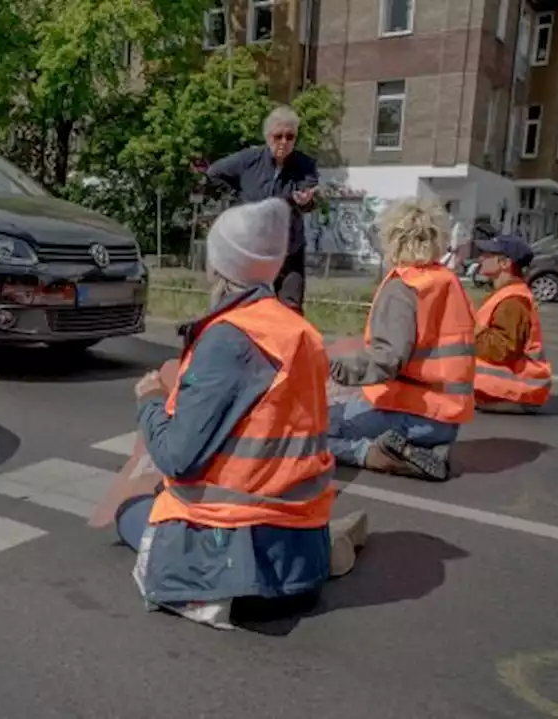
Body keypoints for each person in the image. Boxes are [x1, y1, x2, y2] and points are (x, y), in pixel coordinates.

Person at [114, 198, 367, 631]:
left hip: (244, 559)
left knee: (131, 512)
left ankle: (200, 578)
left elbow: (178, 457)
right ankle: (326, 547)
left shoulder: (230, 338)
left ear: (219, 266)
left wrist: (151, 399)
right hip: (299, 532)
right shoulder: (297, 329)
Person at [327, 199, 476, 482]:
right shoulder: (445, 281)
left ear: (393, 239)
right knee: (339, 413)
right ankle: (415, 447)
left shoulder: (403, 288)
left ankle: (376, 454)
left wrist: (329, 367)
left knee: (307, 431)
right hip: (445, 415)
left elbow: (388, 359)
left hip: (411, 411)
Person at [205, 105, 319, 313]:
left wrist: (304, 202)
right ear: (268, 137)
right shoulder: (249, 159)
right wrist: (238, 196)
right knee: (245, 308)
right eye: (278, 136)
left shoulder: (305, 165)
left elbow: (308, 197)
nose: (284, 142)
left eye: (290, 136)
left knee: (290, 311)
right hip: (252, 250)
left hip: (288, 250)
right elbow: (214, 172)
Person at [472, 233, 552, 412]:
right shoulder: (506, 294)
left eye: (488, 254)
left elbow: (502, 350)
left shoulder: (513, 301)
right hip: (508, 390)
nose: (481, 258)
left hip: (513, 391)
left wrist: (466, 331)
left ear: (504, 263)